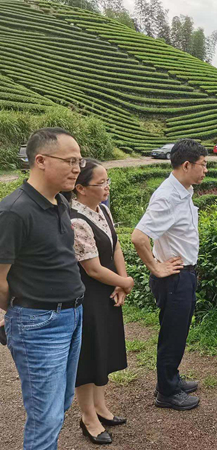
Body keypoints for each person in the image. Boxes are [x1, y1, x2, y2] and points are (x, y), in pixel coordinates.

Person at [0, 127, 86, 450]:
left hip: (72, 316)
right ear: (40, 161)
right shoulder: (13, 211)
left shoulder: (59, 201)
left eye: (79, 161)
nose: (77, 168)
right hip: (39, 323)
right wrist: (21, 311)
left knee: (61, 404)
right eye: (70, 161)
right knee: (45, 417)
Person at [131, 139, 208, 410]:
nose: (206, 170)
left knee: (178, 332)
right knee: (172, 336)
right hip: (173, 277)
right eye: (203, 165)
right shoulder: (167, 196)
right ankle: (166, 392)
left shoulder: (183, 191)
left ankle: (171, 379)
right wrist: (156, 267)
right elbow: (139, 237)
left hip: (183, 275)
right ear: (186, 165)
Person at [69, 159, 134, 445]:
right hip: (88, 296)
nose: (107, 187)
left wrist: (122, 280)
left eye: (108, 181)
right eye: (101, 183)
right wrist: (124, 283)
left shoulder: (102, 210)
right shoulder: (75, 220)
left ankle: (101, 407)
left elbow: (115, 245)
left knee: (103, 350)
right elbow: (92, 269)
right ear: (81, 188)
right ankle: (88, 417)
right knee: (89, 355)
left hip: (108, 289)